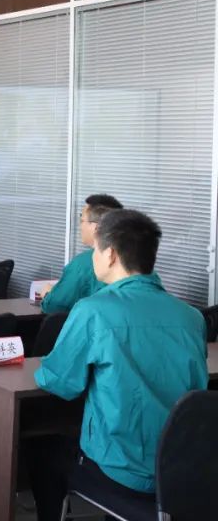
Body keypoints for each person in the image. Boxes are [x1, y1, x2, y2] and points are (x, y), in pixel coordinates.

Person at [28, 209, 207, 520]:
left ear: (110, 254)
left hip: (125, 471)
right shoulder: (191, 317)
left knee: (43, 451)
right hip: (183, 469)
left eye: (95, 249)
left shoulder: (93, 311)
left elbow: (59, 382)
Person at [40, 194, 123, 313]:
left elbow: (55, 306)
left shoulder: (83, 263)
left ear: (96, 227)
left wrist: (48, 294)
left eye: (82, 220)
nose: (80, 226)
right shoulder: (134, 259)